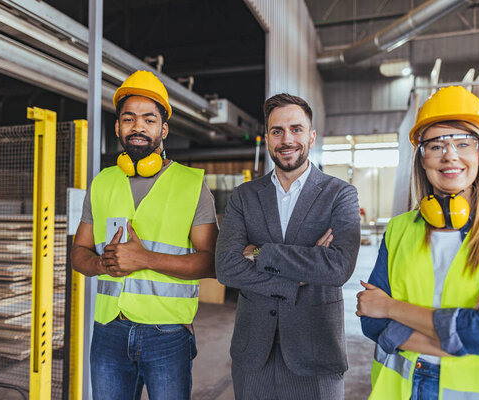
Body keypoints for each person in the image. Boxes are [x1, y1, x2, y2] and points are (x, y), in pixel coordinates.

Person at [357, 86, 479, 400]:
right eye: (436, 145)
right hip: (403, 390)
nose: (450, 155)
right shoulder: (399, 230)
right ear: (422, 158)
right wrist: (462, 329)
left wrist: (391, 307)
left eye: (463, 143)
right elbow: (371, 324)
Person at [70, 70, 218, 400]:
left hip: (167, 334)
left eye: (149, 119)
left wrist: (144, 259)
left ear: (163, 129)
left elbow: (212, 263)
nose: (138, 127)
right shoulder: (102, 182)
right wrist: (101, 265)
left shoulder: (191, 184)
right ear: (118, 127)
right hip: (109, 330)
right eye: (129, 118)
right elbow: (78, 251)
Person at [216, 93, 361, 399]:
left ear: (311, 135)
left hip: (316, 353)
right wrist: (304, 272)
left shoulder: (340, 195)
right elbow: (227, 267)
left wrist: (259, 253)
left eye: (296, 129)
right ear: (267, 138)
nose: (287, 140)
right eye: (277, 131)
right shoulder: (244, 196)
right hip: (254, 355)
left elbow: (338, 267)